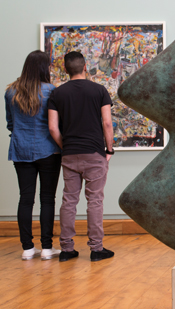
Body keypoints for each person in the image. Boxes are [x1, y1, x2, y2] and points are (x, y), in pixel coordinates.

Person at [48, 51, 115, 262]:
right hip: (94, 153)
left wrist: (65, 146)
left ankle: (67, 250)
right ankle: (96, 249)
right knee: (95, 201)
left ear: (66, 70)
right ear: (85, 67)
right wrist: (109, 150)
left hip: (69, 155)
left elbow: (52, 128)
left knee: (69, 200)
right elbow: (107, 123)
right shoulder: (99, 90)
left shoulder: (57, 94)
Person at [5, 50, 62, 260]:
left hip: (20, 149)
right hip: (49, 150)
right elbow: (57, 123)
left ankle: (27, 248)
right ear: (43, 68)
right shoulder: (51, 91)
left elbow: (10, 123)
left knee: (25, 199)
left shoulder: (11, 91)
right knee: (47, 199)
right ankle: (47, 248)